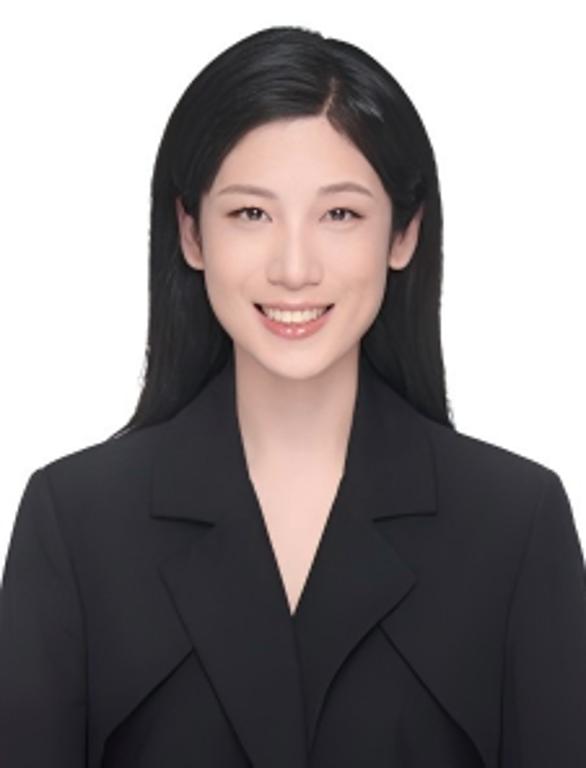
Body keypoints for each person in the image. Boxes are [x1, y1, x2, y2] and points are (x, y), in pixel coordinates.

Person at [1, 24, 585, 768]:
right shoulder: (75, 522)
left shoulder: (516, 523)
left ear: (403, 234)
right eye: (251, 214)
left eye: (340, 214)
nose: (295, 268)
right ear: (191, 233)